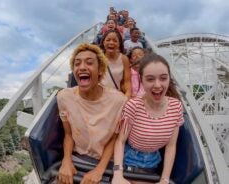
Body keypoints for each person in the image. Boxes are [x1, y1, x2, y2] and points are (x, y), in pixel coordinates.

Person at [57, 43, 127, 184]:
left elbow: (114, 139)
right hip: (77, 157)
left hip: (105, 162)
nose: (82, 67)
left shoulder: (119, 100)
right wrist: (66, 160)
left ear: (100, 70)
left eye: (89, 63)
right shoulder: (64, 97)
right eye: (77, 64)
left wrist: (99, 170)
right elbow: (68, 134)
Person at [112, 53, 184, 184]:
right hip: (129, 160)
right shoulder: (133, 106)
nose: (157, 85)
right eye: (150, 79)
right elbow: (120, 141)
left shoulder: (176, 106)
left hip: (153, 163)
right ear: (141, 80)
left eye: (163, 78)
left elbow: (171, 145)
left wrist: (165, 179)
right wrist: (117, 173)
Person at [100, 29, 132, 98]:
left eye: (115, 41)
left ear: (119, 43)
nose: (111, 43)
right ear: (103, 42)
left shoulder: (124, 59)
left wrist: (128, 95)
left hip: (116, 97)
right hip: (100, 97)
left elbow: (127, 81)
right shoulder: (98, 58)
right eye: (108, 40)